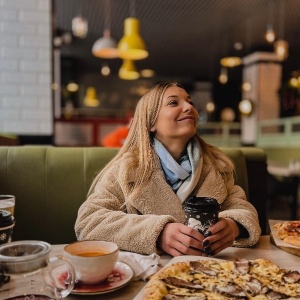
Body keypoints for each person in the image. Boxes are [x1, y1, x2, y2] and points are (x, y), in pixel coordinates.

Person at [75, 82, 261, 257]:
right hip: (148, 278)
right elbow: (89, 221)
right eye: (173, 103)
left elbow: (241, 208)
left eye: (190, 102)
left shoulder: (217, 165)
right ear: (151, 122)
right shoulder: (127, 169)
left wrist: (233, 225)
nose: (189, 108)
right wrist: (158, 232)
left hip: (211, 274)